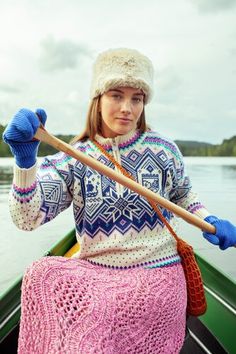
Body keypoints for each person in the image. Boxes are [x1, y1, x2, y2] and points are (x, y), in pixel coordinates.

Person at [3, 48, 236, 354]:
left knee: (101, 318)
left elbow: (184, 194)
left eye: (137, 98)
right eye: (116, 95)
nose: (127, 108)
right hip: (97, 271)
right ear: (98, 99)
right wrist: (24, 162)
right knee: (40, 274)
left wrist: (211, 219)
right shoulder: (75, 157)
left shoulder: (164, 149)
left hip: (156, 273)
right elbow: (27, 218)